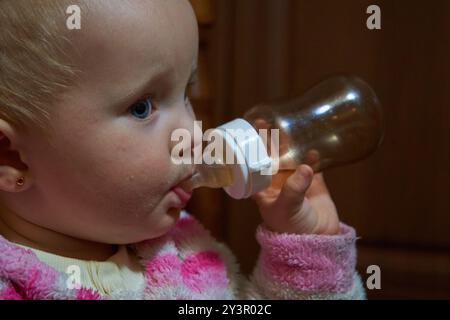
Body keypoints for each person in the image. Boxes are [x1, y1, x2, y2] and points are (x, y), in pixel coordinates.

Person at [0, 0, 365, 299]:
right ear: (11, 156)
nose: (194, 132)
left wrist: (308, 261)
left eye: (187, 93)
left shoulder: (188, 257)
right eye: (142, 107)